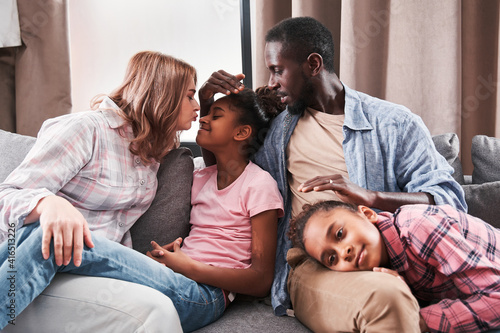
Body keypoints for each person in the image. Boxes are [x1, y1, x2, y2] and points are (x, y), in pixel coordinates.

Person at [198, 17, 467, 332]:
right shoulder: (278, 132)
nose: (271, 83)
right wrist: (206, 103)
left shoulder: (395, 124)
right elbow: (228, 166)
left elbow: (450, 203)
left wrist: (373, 197)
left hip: (393, 258)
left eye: (278, 70)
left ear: (313, 64)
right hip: (312, 265)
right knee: (384, 299)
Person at [0, 82, 284, 332]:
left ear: (243, 132)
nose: (203, 117)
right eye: (204, 110)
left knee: (53, 234)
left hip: (203, 295)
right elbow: (219, 175)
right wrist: (174, 258)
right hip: (175, 275)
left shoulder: (259, 186)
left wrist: (190, 267)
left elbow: (261, 280)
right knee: (37, 231)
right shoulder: (201, 178)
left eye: (215, 116)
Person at [288, 200, 500, 333]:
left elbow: (496, 297)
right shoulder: (385, 270)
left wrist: (420, 320)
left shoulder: (419, 228)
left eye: (340, 234)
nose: (344, 252)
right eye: (332, 259)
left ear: (368, 215)